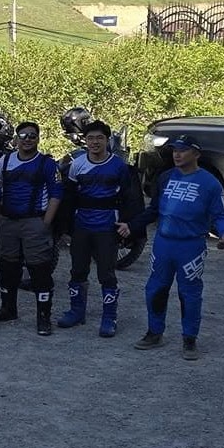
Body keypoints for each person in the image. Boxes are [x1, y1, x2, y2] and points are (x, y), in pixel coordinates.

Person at [121, 137, 224, 360]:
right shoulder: (166, 177)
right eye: (175, 150)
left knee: (189, 294)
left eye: (183, 150)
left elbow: (219, 214)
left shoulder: (209, 183)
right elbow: (153, 210)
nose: (177, 155)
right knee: (155, 289)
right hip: (164, 244)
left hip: (190, 246)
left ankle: (189, 339)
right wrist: (132, 227)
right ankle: (154, 332)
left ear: (196, 154)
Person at [59, 119, 135, 337]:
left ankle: (109, 317)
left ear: (107, 140)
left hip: (107, 226)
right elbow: (69, 196)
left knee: (106, 273)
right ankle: (76, 311)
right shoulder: (77, 164)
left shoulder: (118, 165)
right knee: (78, 270)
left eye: (99, 138)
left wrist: (128, 224)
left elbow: (129, 197)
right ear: (85, 140)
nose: (94, 142)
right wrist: (65, 226)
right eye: (90, 138)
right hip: (82, 225)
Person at [0, 120, 61, 335]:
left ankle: (43, 316)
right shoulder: (6, 160)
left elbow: (57, 194)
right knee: (7, 266)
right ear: (16, 139)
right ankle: (8, 308)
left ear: (38, 139)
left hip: (34, 221)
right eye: (23, 136)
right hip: (8, 221)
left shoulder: (48, 164)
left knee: (39, 268)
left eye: (32, 135)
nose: (28, 139)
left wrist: (45, 223)